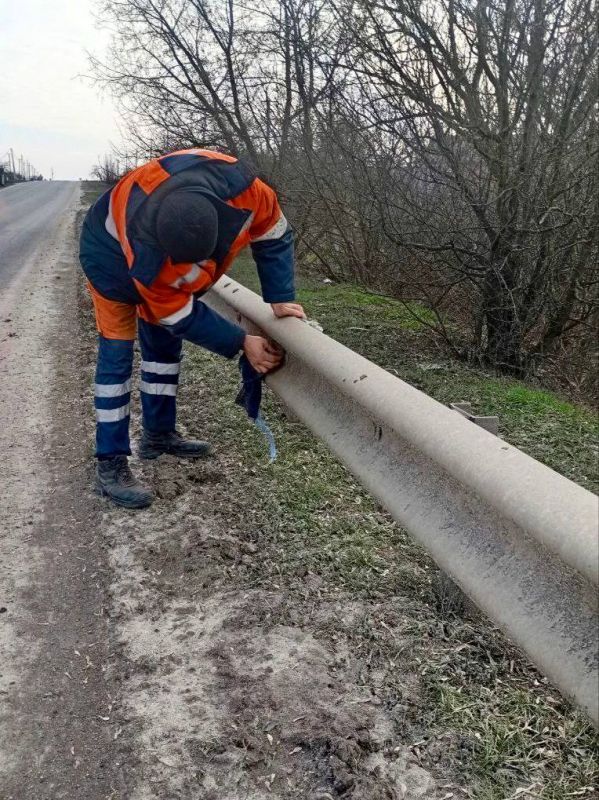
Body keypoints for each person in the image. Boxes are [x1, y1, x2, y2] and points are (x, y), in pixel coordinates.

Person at [79, 148, 305, 509]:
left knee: (164, 350)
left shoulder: (248, 190)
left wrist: (279, 296)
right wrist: (240, 341)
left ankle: (158, 435)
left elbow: (274, 233)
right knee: (117, 356)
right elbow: (178, 315)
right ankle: (110, 461)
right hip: (109, 258)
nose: (194, 272)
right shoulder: (148, 250)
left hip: (157, 242)